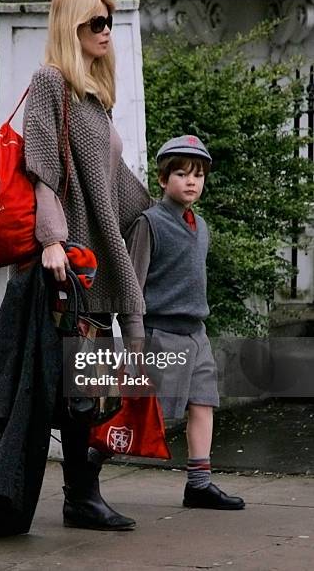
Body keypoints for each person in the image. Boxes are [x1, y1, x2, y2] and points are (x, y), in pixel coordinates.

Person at [22, 0, 152, 530]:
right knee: (80, 390)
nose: (105, 31)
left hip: (101, 266)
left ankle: (81, 491)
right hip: (73, 267)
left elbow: (112, 183)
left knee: (93, 388)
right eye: (96, 22)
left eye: (108, 24)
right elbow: (41, 171)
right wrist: (52, 240)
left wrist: (157, 216)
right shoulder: (50, 82)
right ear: (71, 25)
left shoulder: (93, 98)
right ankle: (79, 497)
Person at [121, 135, 245, 510]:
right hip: (162, 336)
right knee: (139, 412)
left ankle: (199, 483)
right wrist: (136, 339)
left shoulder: (201, 226)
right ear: (162, 180)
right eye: (181, 174)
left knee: (203, 403)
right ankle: (88, 471)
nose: (192, 182)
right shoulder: (149, 223)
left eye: (199, 176)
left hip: (196, 333)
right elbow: (132, 283)